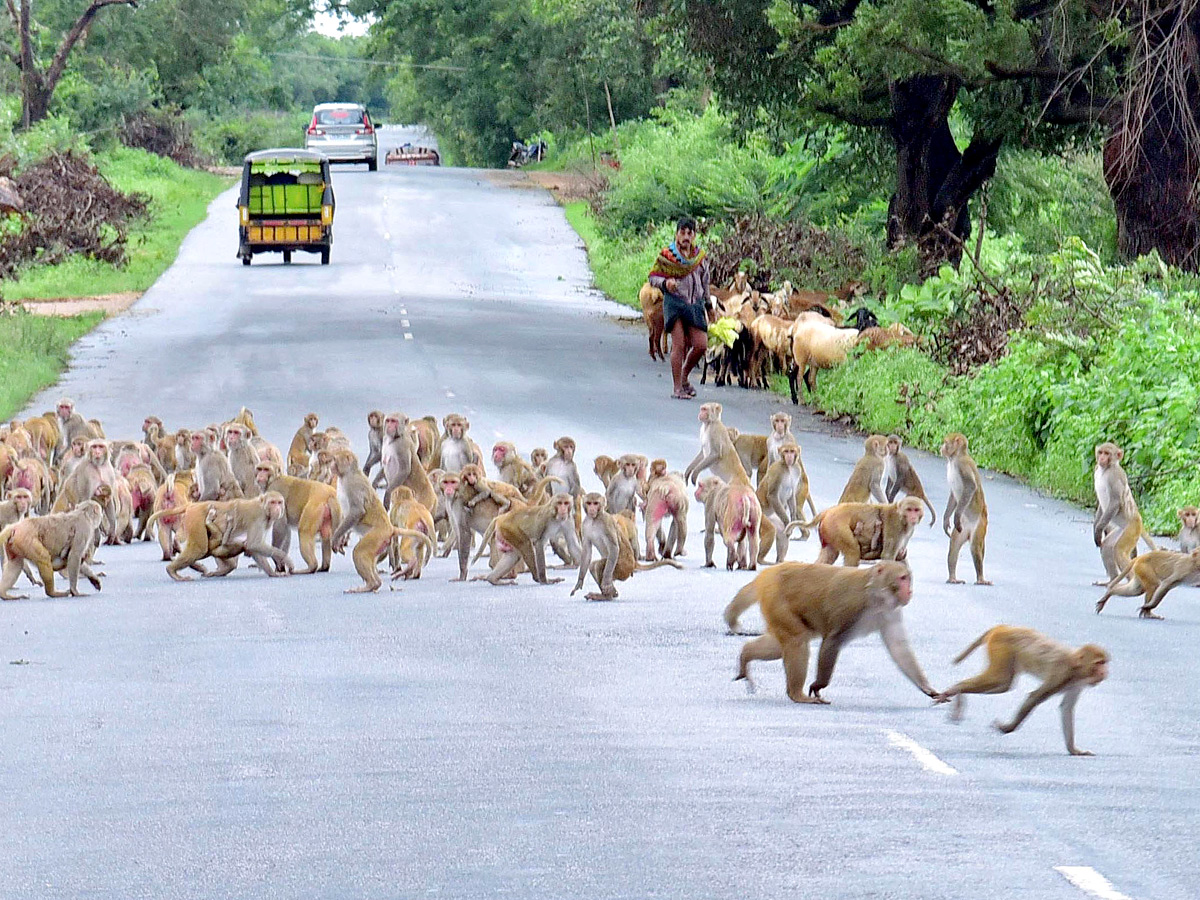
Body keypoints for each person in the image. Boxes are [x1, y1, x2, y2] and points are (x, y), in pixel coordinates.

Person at [649, 217, 710, 400]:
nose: (686, 237)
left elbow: (705, 282)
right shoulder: (667, 256)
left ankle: (684, 376)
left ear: (694, 236)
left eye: (689, 233)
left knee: (701, 344)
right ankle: (677, 388)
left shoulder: (700, 258)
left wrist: (708, 305)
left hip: (694, 304)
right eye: (682, 232)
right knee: (679, 345)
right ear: (676, 234)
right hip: (675, 304)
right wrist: (666, 283)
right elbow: (653, 277)